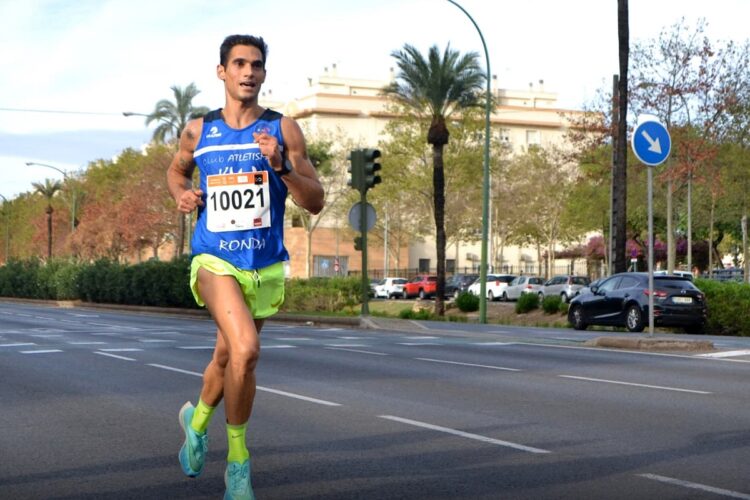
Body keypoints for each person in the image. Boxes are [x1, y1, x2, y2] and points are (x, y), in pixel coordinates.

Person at [166, 34, 324, 500]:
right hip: (214, 258)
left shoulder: (284, 130)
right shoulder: (198, 131)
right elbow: (177, 170)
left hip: (264, 263)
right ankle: (238, 462)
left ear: (263, 74)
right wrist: (182, 194)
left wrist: (282, 168)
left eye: (256, 65)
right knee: (247, 349)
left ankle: (195, 425)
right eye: (239, 64)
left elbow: (314, 201)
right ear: (222, 72)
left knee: (226, 357)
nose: (248, 72)